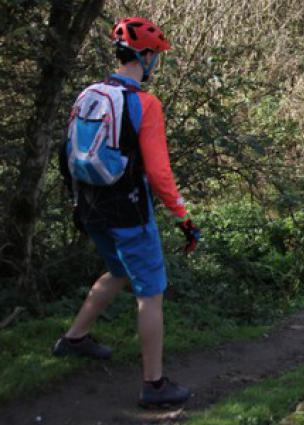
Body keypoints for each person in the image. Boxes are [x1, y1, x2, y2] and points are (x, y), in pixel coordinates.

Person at [55, 17, 199, 408]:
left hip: (88, 206)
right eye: (156, 57)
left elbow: (65, 155)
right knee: (151, 293)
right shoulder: (143, 103)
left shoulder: (88, 93)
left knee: (118, 271)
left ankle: (74, 339)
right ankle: (154, 385)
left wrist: (74, 203)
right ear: (145, 56)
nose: (156, 64)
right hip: (128, 212)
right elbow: (159, 172)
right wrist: (184, 219)